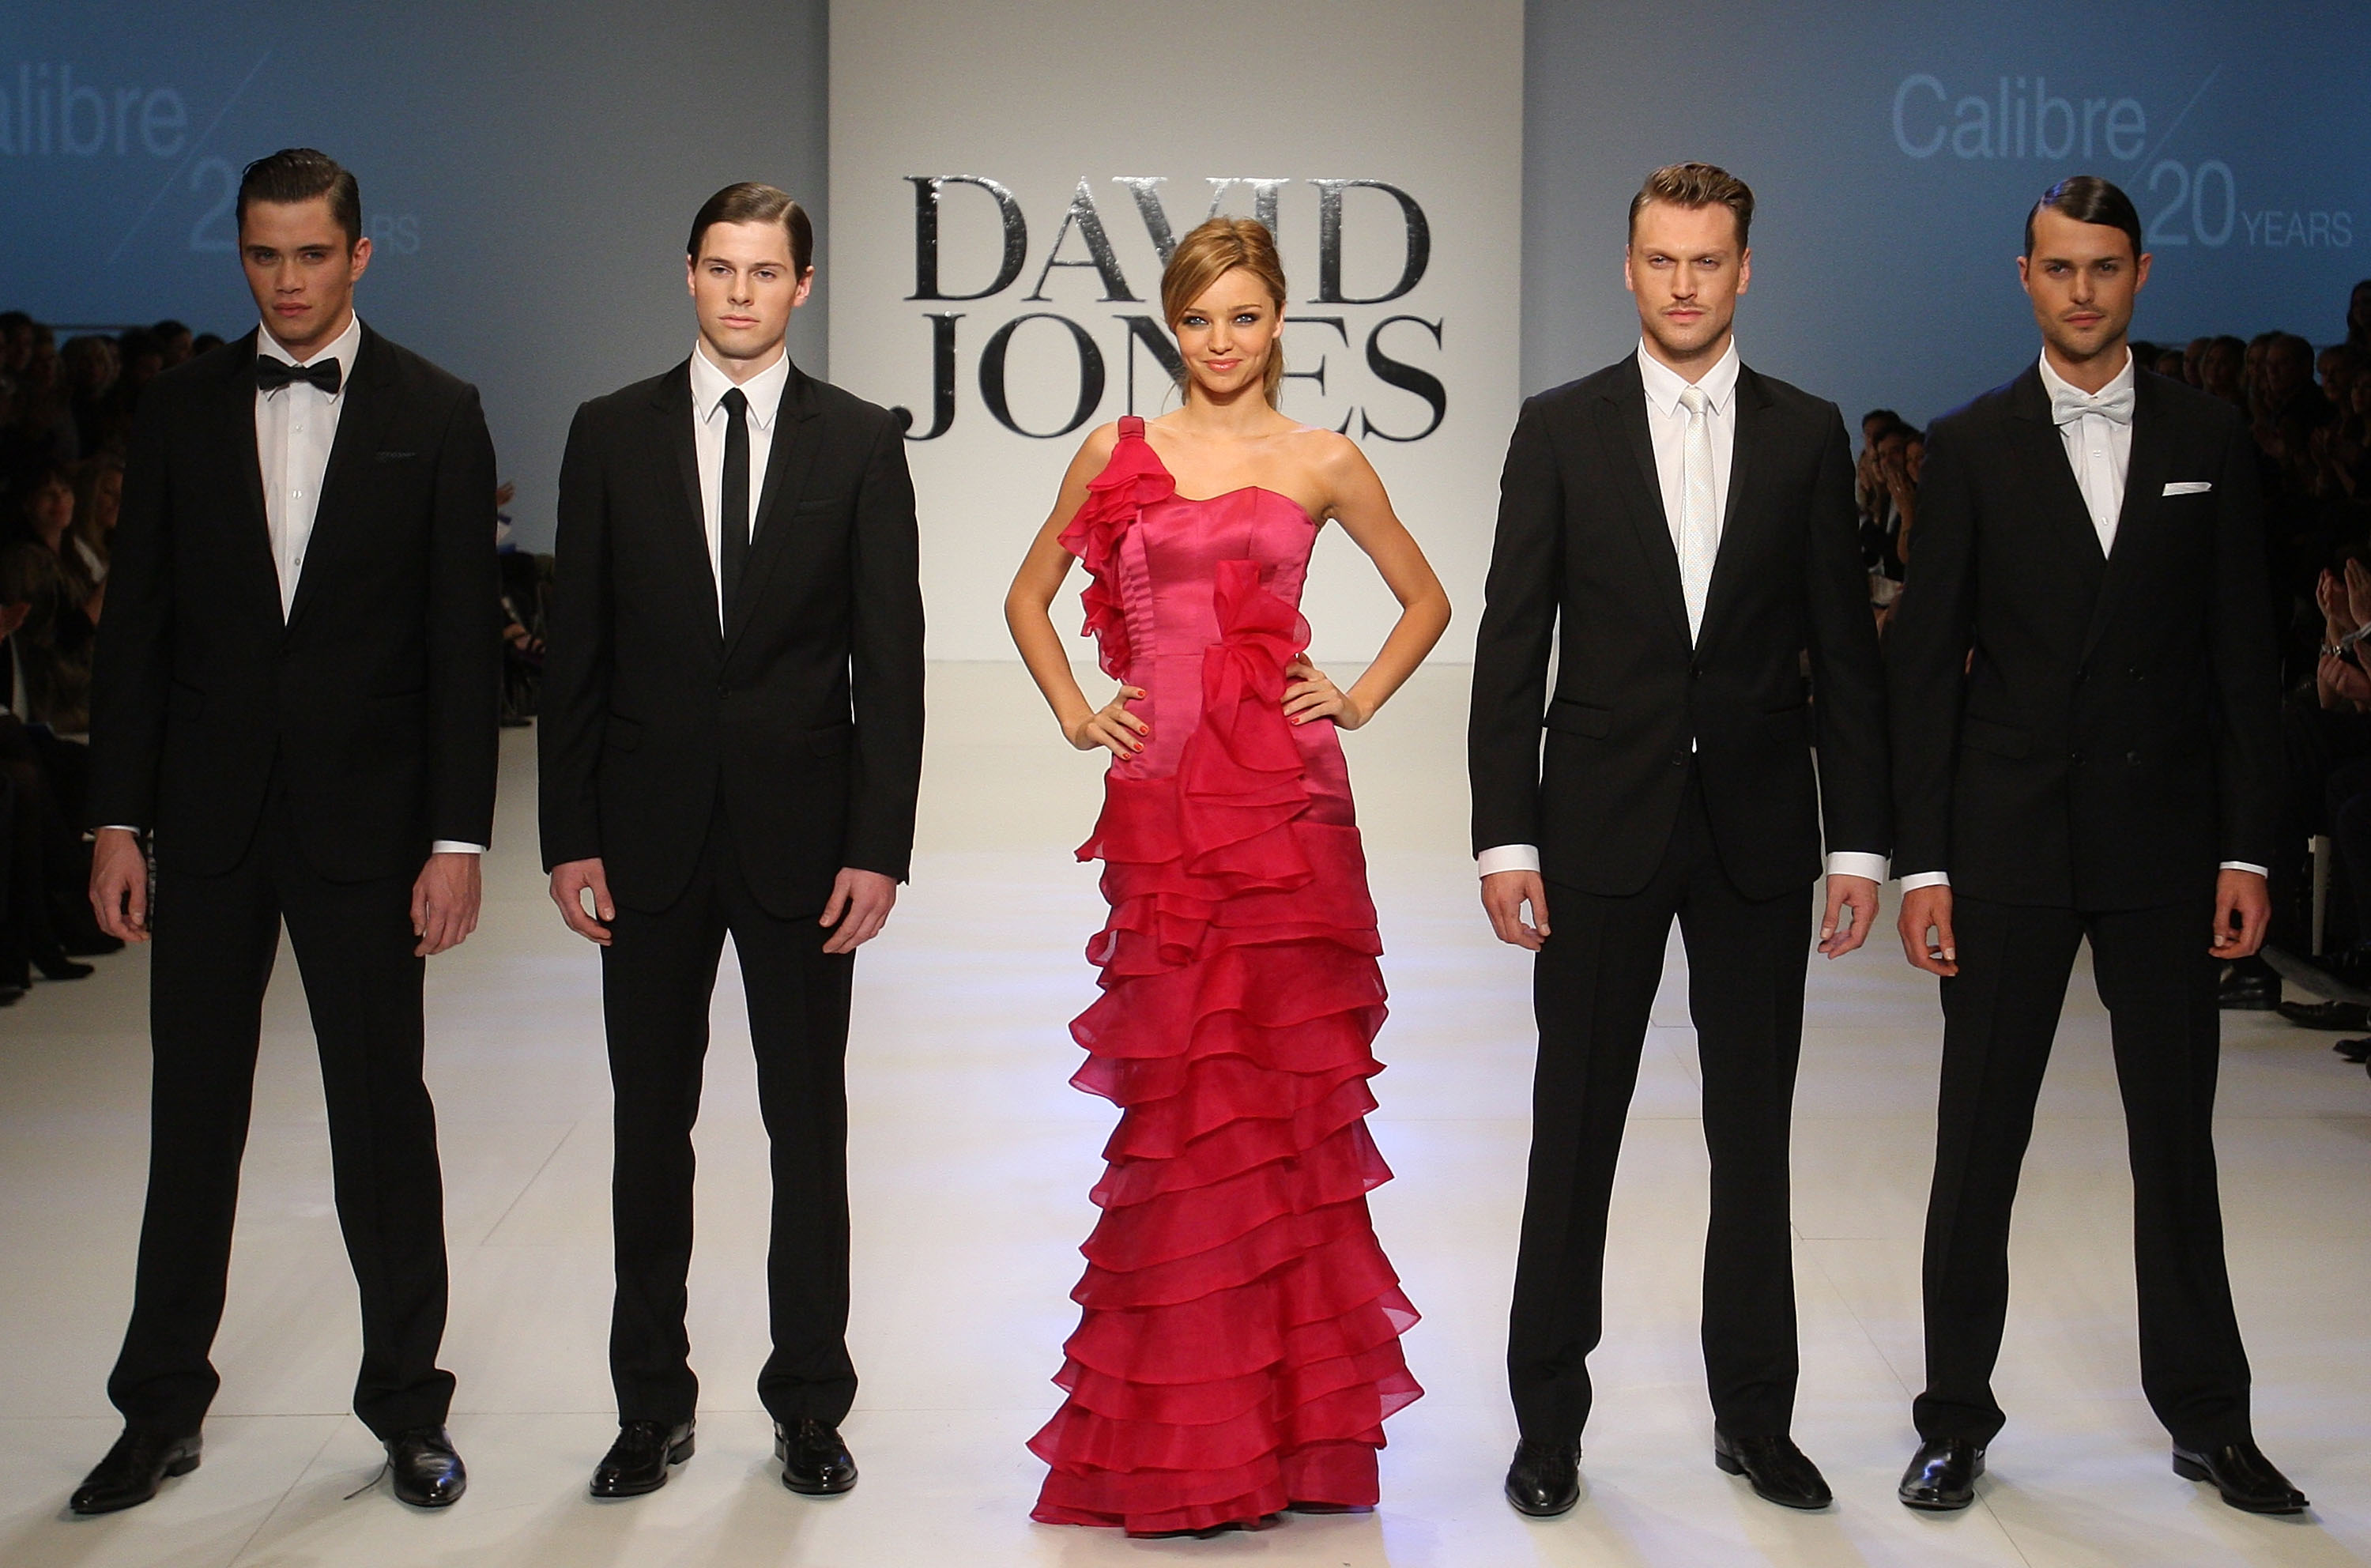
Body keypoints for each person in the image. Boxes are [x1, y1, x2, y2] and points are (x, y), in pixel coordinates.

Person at [74, 148, 499, 1515]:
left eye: (313, 254)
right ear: (242, 255)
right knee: (192, 1119)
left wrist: (457, 839)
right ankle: (158, 1411)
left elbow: (459, 645)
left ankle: (409, 1411)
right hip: (205, 823)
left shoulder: (438, 410)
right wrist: (116, 819)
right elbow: (136, 631)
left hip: (369, 829)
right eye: (264, 255)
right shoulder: (184, 409)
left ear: (359, 254)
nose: (288, 280)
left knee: (383, 1123)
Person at [1006, 215, 1446, 1536]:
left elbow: (1428, 598)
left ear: (1279, 321)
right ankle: (1188, 1444)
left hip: (1289, 813)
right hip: (1161, 813)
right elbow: (1027, 596)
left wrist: (1353, 696)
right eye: (1199, 318)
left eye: (1244, 316)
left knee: (1284, 1112)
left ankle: (1293, 1441)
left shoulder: (1322, 458)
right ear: (1171, 324)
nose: (1221, 340)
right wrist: (1079, 711)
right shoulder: (1117, 453)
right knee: (1183, 1113)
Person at [1468, 162, 1889, 1520]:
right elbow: (1512, 641)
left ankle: (1755, 1419)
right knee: (1574, 1130)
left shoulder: (1807, 432)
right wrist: (1503, 837)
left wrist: (1861, 843)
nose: (1686, 284)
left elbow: (1844, 652)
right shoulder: (1561, 427)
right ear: (1630, 266)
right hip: (1597, 826)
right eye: (1663, 259)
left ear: (1745, 269)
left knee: (1753, 1138)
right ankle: (1548, 1426)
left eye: (1709, 260)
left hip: (1760, 832)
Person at [1887, 175, 2303, 1515]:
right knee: (1977, 1144)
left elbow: (2245, 654)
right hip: (2005, 848)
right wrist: (1925, 864)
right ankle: (1954, 1421)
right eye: (2059, 268)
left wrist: (2249, 851)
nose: (2082, 291)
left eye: (2104, 268)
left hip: (2164, 847)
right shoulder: (1970, 445)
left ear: (2141, 275)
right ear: (2025, 277)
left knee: (2176, 1144)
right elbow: (1924, 672)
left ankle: (2211, 1420)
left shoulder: (2210, 437)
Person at [538, 181, 923, 1504]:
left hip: (806, 847)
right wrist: (569, 832)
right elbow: (575, 650)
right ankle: (650, 1406)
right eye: (721, 268)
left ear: (803, 286)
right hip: (644, 838)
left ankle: (810, 1403)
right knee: (650, 1129)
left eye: (766, 272)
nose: (742, 292)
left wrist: (879, 846)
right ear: (689, 274)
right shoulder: (609, 432)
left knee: (806, 1130)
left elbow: (891, 660)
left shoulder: (860, 441)